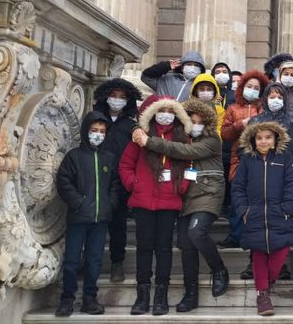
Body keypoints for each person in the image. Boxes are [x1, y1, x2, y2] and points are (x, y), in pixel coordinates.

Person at [141, 99, 229, 312]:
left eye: (200, 121)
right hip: (185, 195)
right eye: (191, 120)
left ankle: (219, 269)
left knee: (196, 232)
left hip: (208, 193)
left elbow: (183, 151)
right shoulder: (183, 136)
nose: (195, 124)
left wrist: (149, 141)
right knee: (185, 243)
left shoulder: (211, 140)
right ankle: (191, 294)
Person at [119, 98, 191, 315]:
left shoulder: (183, 138)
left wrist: (183, 186)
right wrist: (134, 184)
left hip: (169, 202)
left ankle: (161, 295)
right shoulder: (140, 136)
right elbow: (125, 165)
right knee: (144, 248)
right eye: (162, 110)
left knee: (164, 249)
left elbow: (191, 166)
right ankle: (142, 296)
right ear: (153, 113)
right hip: (143, 201)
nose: (166, 114)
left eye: (171, 111)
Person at [55, 111, 121, 317]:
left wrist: (110, 204)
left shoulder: (109, 158)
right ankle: (67, 299)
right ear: (86, 131)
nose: (98, 135)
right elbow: (63, 182)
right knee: (72, 259)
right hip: (78, 217)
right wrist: (78, 202)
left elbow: (115, 184)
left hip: (100, 219)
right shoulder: (73, 157)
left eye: (102, 131)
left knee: (95, 259)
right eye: (94, 131)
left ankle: (90, 298)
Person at [232, 121, 293, 316]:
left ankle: (266, 284)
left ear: (275, 139)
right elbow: (237, 188)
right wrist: (244, 211)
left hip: (280, 215)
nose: (263, 141)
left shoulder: (285, 158)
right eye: (259, 138)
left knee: (280, 254)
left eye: (268, 137)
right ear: (253, 140)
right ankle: (263, 295)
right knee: (259, 255)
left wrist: (287, 208)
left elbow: (292, 184)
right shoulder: (247, 160)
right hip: (254, 217)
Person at [90, 78, 142, 283]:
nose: (117, 100)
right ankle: (89, 261)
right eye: (114, 96)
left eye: (122, 97)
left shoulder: (130, 124)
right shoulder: (95, 119)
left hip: (119, 182)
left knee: (118, 224)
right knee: (94, 222)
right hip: (94, 177)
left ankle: (117, 262)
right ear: (106, 96)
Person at [220, 70, 270, 250]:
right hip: (238, 159)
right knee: (237, 200)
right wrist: (240, 124)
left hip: (259, 159)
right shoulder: (233, 108)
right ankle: (235, 235)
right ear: (242, 88)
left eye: (256, 88)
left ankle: (253, 236)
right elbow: (224, 134)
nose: (252, 90)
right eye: (249, 86)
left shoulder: (264, 108)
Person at [141, 51, 206, 102]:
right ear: (182, 67)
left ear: (201, 69)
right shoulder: (166, 79)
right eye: (189, 64)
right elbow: (146, 77)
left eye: (196, 65)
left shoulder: (202, 86)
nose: (192, 67)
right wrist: (165, 66)